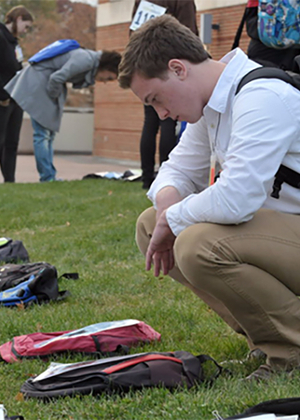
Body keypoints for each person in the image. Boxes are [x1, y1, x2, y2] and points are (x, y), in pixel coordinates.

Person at [118, 14, 300, 381]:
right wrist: (168, 209)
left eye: (156, 99)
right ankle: (263, 338)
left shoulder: (262, 96)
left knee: (198, 243)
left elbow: (237, 198)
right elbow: (175, 172)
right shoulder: (215, 105)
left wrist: (175, 218)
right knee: (149, 224)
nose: (163, 115)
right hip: (282, 237)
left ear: (178, 68)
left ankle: (290, 351)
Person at [5, 49, 121, 182]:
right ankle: (47, 177)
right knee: (42, 135)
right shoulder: (86, 60)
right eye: (109, 77)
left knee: (47, 135)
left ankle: (49, 175)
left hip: (44, 83)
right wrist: (53, 98)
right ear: (106, 67)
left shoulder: (88, 59)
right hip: (41, 84)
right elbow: (57, 78)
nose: (105, 81)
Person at [131, 0, 199, 189]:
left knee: (150, 123)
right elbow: (189, 34)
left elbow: (134, 33)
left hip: (145, 67)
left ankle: (147, 178)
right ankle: (166, 178)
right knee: (168, 121)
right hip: (169, 70)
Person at [0, 5, 33, 183]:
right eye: (25, 26)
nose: (25, 31)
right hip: (3, 99)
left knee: (12, 143)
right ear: (18, 19)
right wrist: (2, 96)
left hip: (15, 99)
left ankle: (9, 181)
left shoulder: (14, 43)